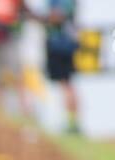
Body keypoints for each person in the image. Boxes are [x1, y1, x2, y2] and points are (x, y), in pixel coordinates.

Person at [41, 0, 80, 133]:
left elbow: (58, 16)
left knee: (66, 84)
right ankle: (71, 122)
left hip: (61, 45)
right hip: (63, 44)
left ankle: (72, 123)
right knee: (66, 85)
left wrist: (42, 18)